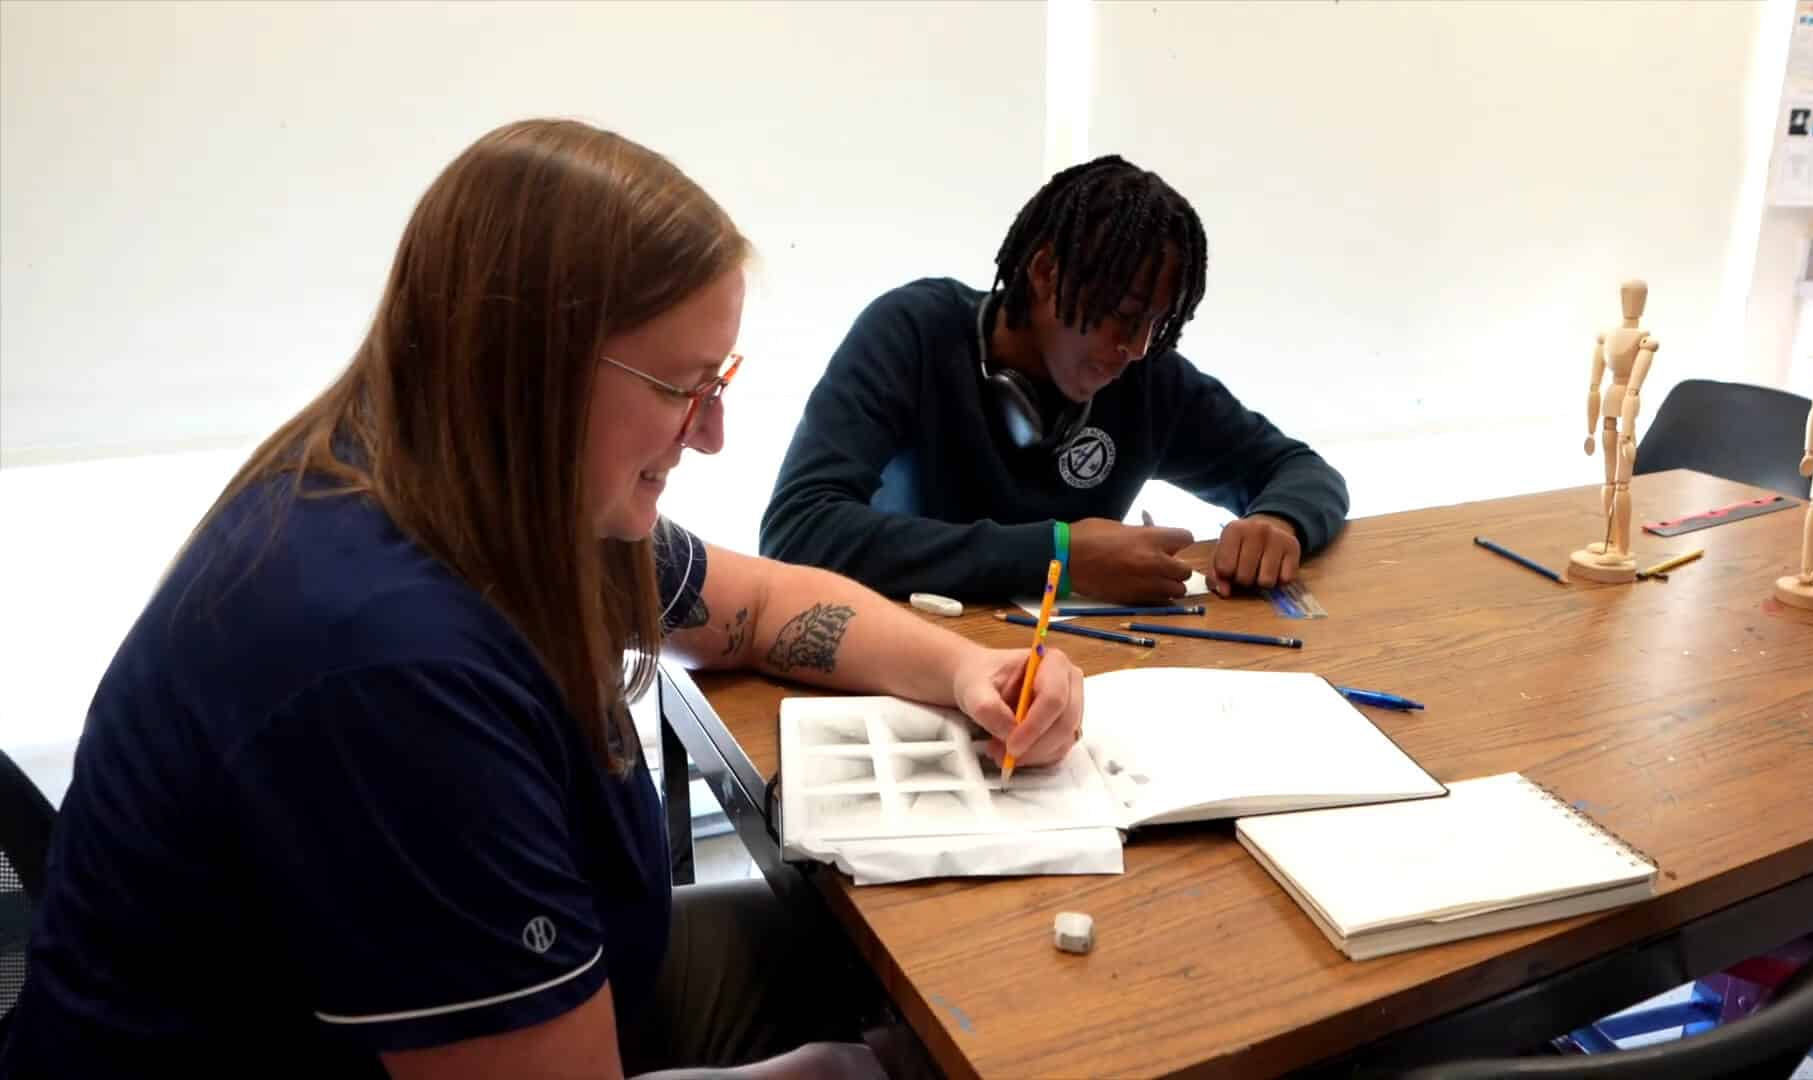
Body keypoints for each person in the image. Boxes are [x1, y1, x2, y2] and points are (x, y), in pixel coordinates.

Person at [0, 119, 1083, 1080]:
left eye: (723, 381)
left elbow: (753, 605)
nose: (710, 434)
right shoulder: (386, 668)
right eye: (679, 387)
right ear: (529, 366)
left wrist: (965, 671)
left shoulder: (488, 481)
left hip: (528, 978)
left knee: (908, 966)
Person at [760, 155, 1350, 604]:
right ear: (1045, 272)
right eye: (1123, 314)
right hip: (905, 670)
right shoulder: (912, 333)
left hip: (1072, 675)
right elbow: (798, 532)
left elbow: (1301, 470)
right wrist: (1057, 556)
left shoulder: (1147, 378)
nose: (1135, 348)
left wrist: (1278, 522)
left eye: (1155, 323)